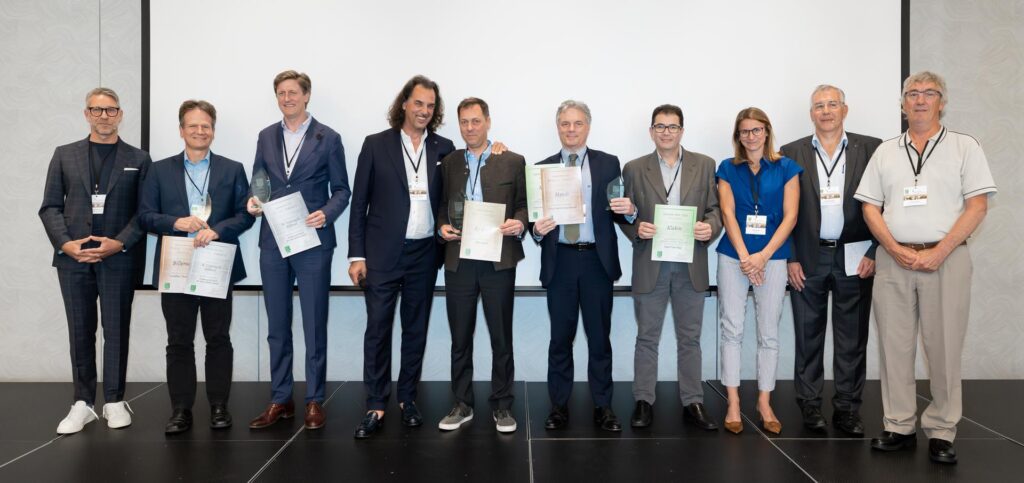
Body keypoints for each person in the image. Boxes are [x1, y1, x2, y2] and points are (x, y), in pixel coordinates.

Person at [856, 71, 995, 464]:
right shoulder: (886, 151)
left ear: (941, 102)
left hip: (946, 260)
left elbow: (977, 207)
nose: (919, 100)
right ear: (902, 104)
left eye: (928, 93)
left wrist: (941, 251)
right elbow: (870, 207)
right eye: (912, 93)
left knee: (944, 347)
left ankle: (941, 430)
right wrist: (893, 247)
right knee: (894, 346)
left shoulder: (965, 146)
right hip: (893, 260)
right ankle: (899, 425)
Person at [348, 75, 456, 439]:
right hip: (382, 254)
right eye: (419, 103)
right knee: (378, 328)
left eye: (431, 106)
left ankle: (407, 398)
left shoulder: (444, 148)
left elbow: (457, 190)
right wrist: (356, 255)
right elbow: (359, 203)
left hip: (425, 252)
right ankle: (375, 403)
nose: (424, 110)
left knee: (415, 328)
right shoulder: (376, 144)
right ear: (405, 103)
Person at [39, 87, 151, 434]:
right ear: (86, 114)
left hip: (119, 259)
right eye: (97, 110)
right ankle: (82, 403)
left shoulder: (139, 159)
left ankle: (114, 400)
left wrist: (119, 243)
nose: (104, 116)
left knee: (116, 330)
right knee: (80, 330)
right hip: (74, 259)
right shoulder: (64, 155)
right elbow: (50, 207)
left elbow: (145, 212)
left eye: (111, 110)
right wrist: (65, 244)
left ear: (120, 114)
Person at [138, 100, 255, 433]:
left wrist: (218, 230)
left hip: (216, 262)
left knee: (218, 338)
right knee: (178, 340)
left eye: (206, 126)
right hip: (175, 263)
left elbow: (245, 214)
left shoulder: (232, 169)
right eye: (193, 125)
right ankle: (181, 410)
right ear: (181, 130)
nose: (200, 131)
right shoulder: (159, 170)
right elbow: (145, 216)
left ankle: (219, 406)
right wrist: (176, 222)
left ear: (213, 131)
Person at [247, 70, 350, 431]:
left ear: (307, 95)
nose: (287, 98)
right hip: (273, 241)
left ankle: (314, 400)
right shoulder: (265, 136)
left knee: (314, 323)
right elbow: (259, 181)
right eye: (281, 93)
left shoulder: (329, 138)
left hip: (312, 241)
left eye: (293, 92)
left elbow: (342, 190)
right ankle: (281, 399)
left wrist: (327, 213)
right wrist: (253, 201)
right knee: (277, 325)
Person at [779, 85, 881, 435]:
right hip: (808, 256)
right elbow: (783, 211)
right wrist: (791, 257)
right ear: (811, 114)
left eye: (832, 104)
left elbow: (886, 203)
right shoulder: (791, 152)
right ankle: (809, 405)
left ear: (844, 110)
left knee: (852, 338)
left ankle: (848, 409)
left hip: (856, 254)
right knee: (808, 336)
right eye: (819, 106)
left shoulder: (872, 148)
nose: (825, 111)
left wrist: (874, 251)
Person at [533, 100, 634, 433]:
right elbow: (535, 220)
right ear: (557, 127)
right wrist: (537, 230)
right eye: (565, 123)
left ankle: (603, 406)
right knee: (560, 339)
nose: (571, 129)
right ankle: (558, 406)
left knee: (599, 338)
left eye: (577, 123)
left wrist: (630, 210)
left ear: (588, 127)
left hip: (596, 261)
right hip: (560, 260)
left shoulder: (608, 163)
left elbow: (619, 211)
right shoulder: (542, 168)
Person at [620, 104, 722, 430]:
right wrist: (636, 227)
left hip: (691, 264)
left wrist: (710, 227)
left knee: (690, 338)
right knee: (646, 338)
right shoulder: (634, 168)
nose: (666, 132)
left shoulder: (704, 165)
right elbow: (624, 213)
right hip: (651, 263)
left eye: (672, 126)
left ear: (682, 131)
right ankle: (643, 401)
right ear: (651, 132)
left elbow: (716, 209)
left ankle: (693, 401)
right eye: (660, 127)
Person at [435, 97, 527, 433]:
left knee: (501, 337)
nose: (470, 128)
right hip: (459, 259)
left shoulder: (512, 160)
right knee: (460, 338)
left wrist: (520, 223)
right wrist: (441, 227)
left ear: (488, 121)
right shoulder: (449, 162)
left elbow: (523, 205)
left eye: (476, 121)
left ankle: (502, 406)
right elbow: (442, 206)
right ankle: (462, 404)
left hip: (497, 261)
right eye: (464, 122)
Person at [716, 107, 801, 435]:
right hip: (733, 256)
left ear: (766, 131)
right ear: (737, 136)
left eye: (756, 130)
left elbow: (791, 216)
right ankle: (733, 402)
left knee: (769, 332)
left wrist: (762, 257)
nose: (750, 136)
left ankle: (764, 401)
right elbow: (727, 213)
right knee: (732, 329)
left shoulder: (787, 167)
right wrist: (745, 258)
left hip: (773, 257)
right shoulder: (727, 168)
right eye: (744, 131)